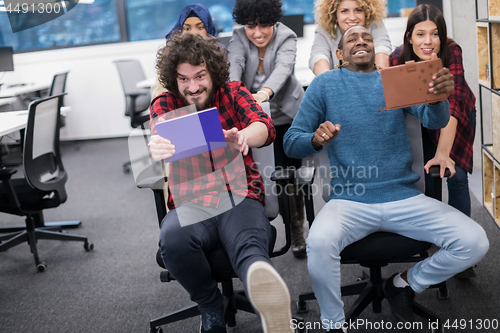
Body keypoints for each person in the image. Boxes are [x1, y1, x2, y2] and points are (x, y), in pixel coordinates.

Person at [283, 26, 489, 332]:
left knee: (475, 242)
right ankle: (333, 323)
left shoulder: (392, 78)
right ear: (340, 54)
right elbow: (291, 141)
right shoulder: (325, 85)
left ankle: (404, 284)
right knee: (319, 242)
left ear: (375, 47)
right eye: (352, 39)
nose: (361, 41)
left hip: (403, 196)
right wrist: (314, 139)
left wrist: (436, 99)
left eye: (366, 37)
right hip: (349, 200)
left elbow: (435, 120)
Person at [148, 33, 293, 333]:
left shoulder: (233, 92)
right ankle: (210, 304)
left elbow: (263, 127)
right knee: (172, 242)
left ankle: (266, 299)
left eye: (199, 76)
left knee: (248, 245)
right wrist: (158, 145)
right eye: (183, 79)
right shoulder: (165, 102)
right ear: (173, 79)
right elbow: (160, 130)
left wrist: (243, 137)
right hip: (191, 200)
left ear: (212, 71)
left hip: (237, 194)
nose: (193, 87)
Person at [389, 4, 477, 278]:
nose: (428, 42)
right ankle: (431, 240)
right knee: (425, 178)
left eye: (435, 34)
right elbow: (394, 106)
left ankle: (462, 252)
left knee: (456, 174)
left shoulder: (452, 51)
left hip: (457, 116)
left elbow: (453, 104)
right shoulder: (396, 59)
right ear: (409, 37)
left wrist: (443, 153)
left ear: (443, 36)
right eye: (420, 34)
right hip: (419, 122)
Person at [228, 0, 307, 258]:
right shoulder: (238, 37)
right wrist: (235, 96)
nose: (258, 32)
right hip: (253, 119)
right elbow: (234, 68)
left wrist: (261, 94)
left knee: (290, 176)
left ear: (274, 21)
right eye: (251, 26)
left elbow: (283, 69)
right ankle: (258, 229)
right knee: (264, 175)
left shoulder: (287, 36)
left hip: (285, 114)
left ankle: (296, 229)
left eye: (264, 25)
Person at [151, 3, 218, 98]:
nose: (193, 33)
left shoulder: (218, 56)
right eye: (187, 28)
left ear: (208, 29)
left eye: (200, 27)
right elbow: (158, 94)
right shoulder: (170, 57)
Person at [310, 0, 392, 76]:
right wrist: (330, 83)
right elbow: (318, 57)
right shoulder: (324, 30)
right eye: (344, 11)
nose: (352, 17)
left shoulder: (375, 24)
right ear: (335, 16)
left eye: (358, 10)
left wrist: (377, 79)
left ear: (366, 13)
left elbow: (382, 49)